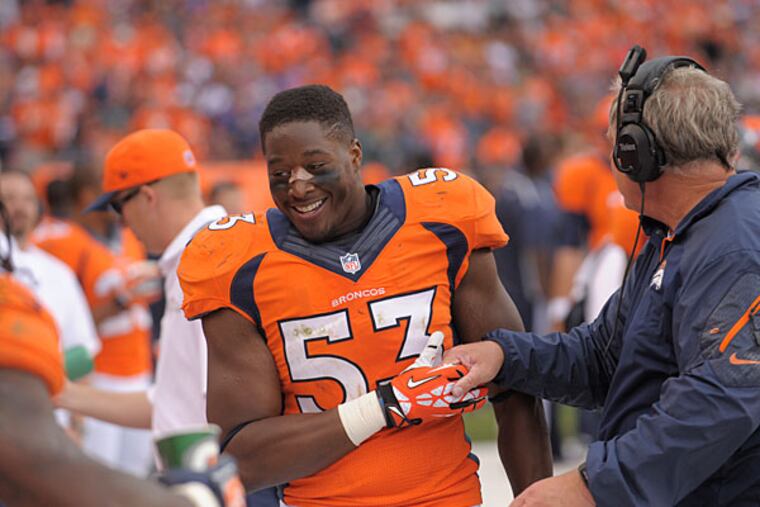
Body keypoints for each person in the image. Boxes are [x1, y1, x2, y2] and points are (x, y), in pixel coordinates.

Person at [178, 84, 552, 506]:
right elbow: (241, 458)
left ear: (354, 155)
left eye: (315, 166)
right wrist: (385, 405)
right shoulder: (237, 264)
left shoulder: (442, 220)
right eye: (279, 174)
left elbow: (515, 386)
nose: (297, 186)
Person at [443, 48, 760, 506]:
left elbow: (717, 404)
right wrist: (504, 355)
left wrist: (592, 486)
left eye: (615, 143)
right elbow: (605, 358)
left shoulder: (736, 246)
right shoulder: (679, 233)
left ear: (638, 155)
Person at [60, 128, 278, 507]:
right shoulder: (207, 252)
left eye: (118, 206)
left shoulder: (206, 262)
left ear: (146, 196)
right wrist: (64, 394)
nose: (123, 223)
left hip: (223, 482)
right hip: (221, 479)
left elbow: (236, 406)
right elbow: (176, 403)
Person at [0, 201, 246, 507]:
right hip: (108, 380)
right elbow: (39, 461)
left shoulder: (197, 255)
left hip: (136, 380)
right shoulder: (65, 248)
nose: (123, 221)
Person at [32, 166, 155, 475]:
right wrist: (119, 302)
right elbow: (63, 319)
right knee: (99, 474)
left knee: (136, 473)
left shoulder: (128, 236)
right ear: (88, 195)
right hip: (98, 376)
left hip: (138, 371)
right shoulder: (62, 241)